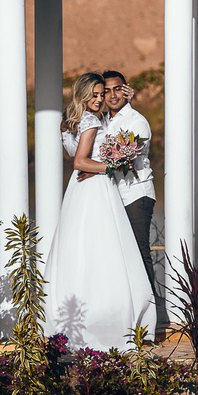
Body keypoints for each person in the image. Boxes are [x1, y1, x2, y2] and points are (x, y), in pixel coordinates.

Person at [42, 73, 155, 352]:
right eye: (100, 92)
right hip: (99, 189)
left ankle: (121, 312)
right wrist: (110, 166)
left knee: (111, 250)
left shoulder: (131, 120)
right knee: (106, 251)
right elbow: (82, 161)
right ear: (84, 94)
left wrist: (102, 164)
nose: (102, 97)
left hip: (124, 192)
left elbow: (84, 156)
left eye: (103, 93)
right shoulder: (94, 119)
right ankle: (113, 314)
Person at [101, 70, 156, 292]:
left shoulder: (137, 121)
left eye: (117, 89)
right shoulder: (101, 121)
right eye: (106, 91)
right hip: (111, 195)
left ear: (126, 89)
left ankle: (149, 310)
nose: (112, 95)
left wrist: (91, 165)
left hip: (136, 194)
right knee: (115, 254)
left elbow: (122, 156)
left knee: (139, 251)